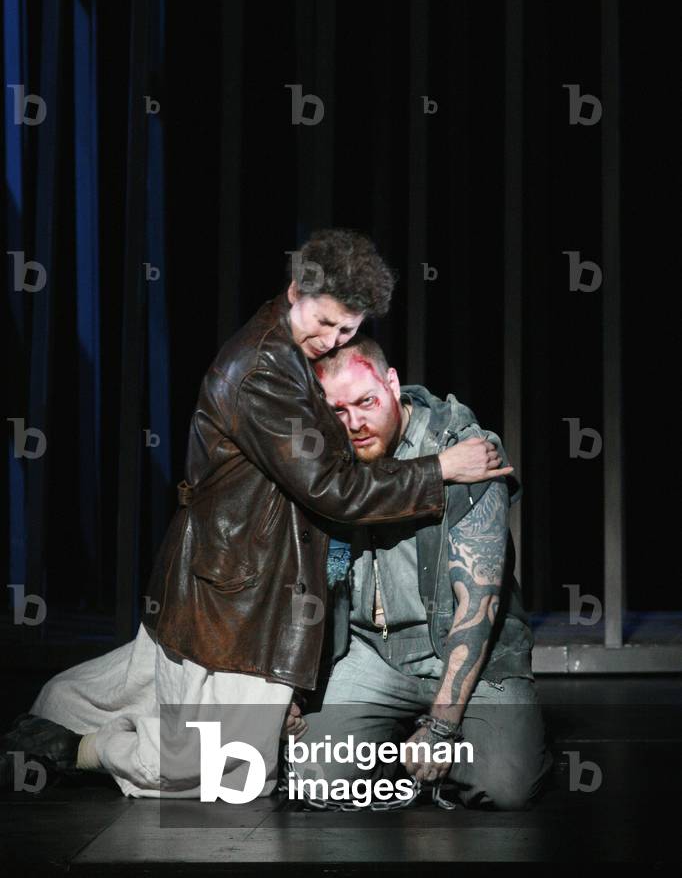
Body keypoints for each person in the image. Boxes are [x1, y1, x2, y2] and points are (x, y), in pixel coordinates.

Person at [0, 229, 511, 798]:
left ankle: (50, 722)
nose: (333, 339)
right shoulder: (264, 372)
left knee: (130, 685)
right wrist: (440, 468)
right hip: (250, 592)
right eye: (325, 323)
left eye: (349, 329)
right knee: (238, 768)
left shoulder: (288, 352)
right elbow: (334, 488)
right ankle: (77, 748)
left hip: (226, 569)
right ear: (296, 292)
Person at [290, 334, 551, 811]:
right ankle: (398, 757)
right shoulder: (329, 459)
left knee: (506, 784)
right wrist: (290, 682)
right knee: (310, 778)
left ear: (391, 384)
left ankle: (439, 748)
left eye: (367, 402)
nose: (355, 423)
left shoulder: (466, 449)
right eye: (338, 411)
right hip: (374, 652)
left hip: (468, 650)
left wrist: (442, 724)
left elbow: (479, 605)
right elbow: (300, 571)